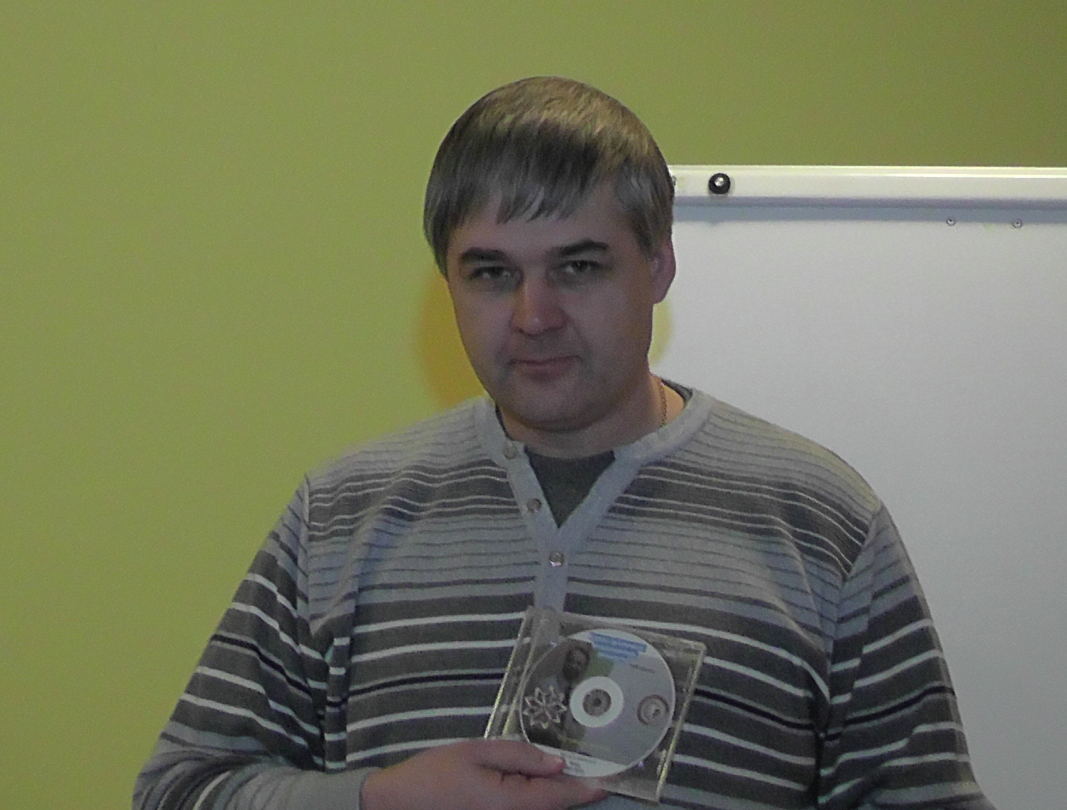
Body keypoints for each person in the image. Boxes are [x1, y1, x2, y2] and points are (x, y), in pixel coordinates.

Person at [133, 77, 993, 810]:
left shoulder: (819, 521)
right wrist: (378, 798)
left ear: (658, 267)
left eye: (578, 267)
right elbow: (179, 788)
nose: (533, 316)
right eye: (491, 273)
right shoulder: (341, 515)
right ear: (447, 283)